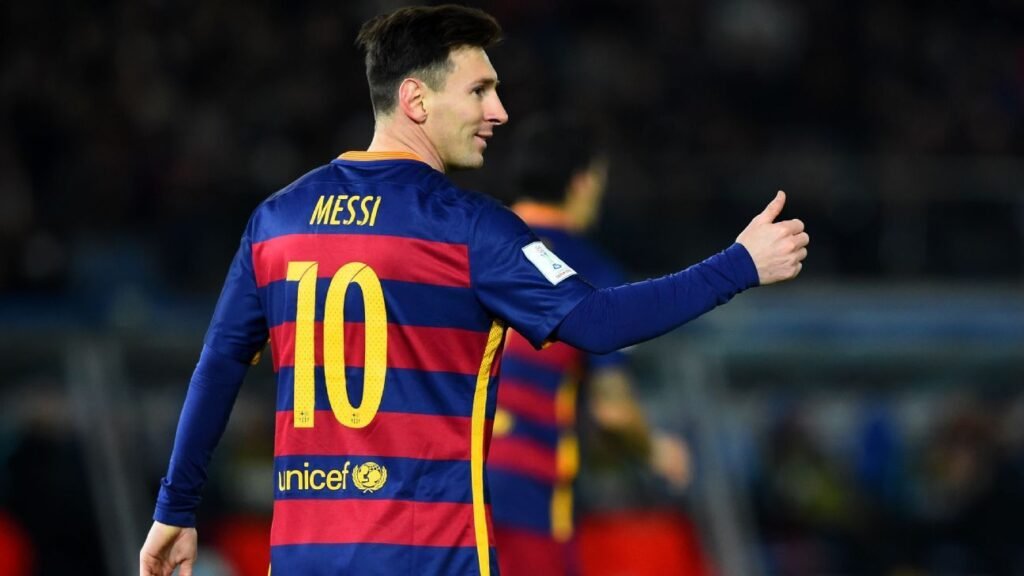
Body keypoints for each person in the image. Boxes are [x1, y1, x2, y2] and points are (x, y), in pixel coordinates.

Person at [139, 5, 809, 576]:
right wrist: (739, 265)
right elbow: (598, 322)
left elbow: (219, 365)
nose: (500, 111)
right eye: (480, 90)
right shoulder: (467, 229)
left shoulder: (275, 221)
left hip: (303, 559)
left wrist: (175, 509)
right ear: (417, 100)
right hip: (429, 558)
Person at [486, 113, 693, 576]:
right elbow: (612, 411)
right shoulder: (589, 270)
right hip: (528, 500)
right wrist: (656, 451)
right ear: (582, 183)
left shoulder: (470, 245)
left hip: (443, 492)